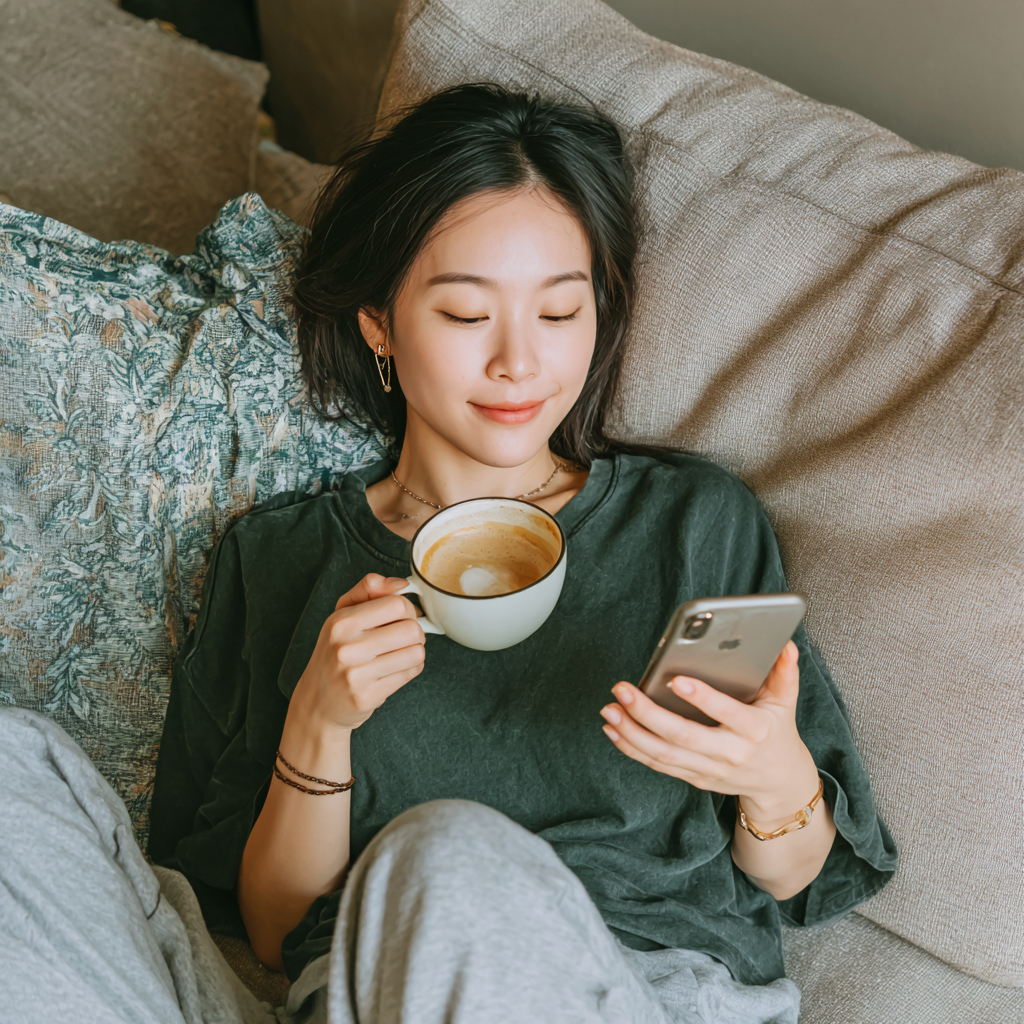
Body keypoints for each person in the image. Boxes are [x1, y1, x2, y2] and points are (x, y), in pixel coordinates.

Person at [0, 84, 895, 1024]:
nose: (520, 363)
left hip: (627, 992)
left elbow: (795, 876)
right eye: (469, 316)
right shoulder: (282, 556)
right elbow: (269, 932)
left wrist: (772, 775)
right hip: (336, 995)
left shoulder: (692, 524)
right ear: (379, 321)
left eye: (559, 315)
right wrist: (318, 722)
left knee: (448, 856)